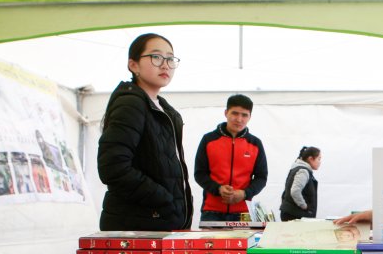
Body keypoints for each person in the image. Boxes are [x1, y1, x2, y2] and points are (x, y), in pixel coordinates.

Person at [97, 33, 192, 231]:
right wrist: (164, 199)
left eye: (170, 59)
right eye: (156, 57)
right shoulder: (131, 103)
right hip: (137, 225)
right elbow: (113, 168)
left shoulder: (165, 110)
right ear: (133, 65)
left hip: (160, 221)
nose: (165, 65)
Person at [194, 94, 268, 222]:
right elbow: (199, 174)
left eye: (244, 115)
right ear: (226, 113)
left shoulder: (255, 144)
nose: (239, 119)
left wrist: (244, 193)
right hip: (211, 211)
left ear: (250, 117)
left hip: (244, 213)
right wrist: (218, 189)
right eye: (235, 113)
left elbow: (261, 177)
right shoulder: (208, 140)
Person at [280, 146, 322, 221]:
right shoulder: (303, 171)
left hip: (291, 213)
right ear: (310, 159)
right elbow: (295, 191)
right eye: (319, 159)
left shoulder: (298, 169)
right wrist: (304, 206)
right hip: (295, 215)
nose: (320, 162)